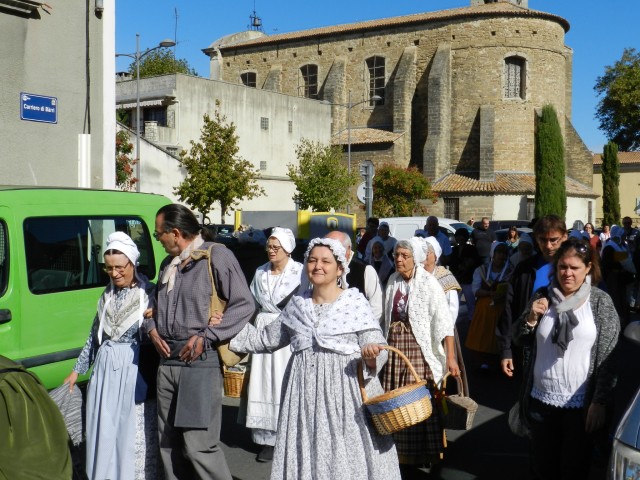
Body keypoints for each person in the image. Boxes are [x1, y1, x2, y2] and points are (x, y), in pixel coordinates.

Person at [229, 237, 401, 480]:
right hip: (303, 398)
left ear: (340, 267)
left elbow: (378, 346)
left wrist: (372, 355)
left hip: (346, 397)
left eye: (325, 261)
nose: (317, 266)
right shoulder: (297, 306)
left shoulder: (354, 303)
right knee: (308, 454)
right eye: (312, 260)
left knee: (345, 456)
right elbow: (265, 339)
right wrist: (226, 326)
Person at [147, 204, 256, 480]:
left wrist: (207, 336)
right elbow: (152, 305)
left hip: (198, 361)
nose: (157, 239)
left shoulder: (215, 256)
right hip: (167, 361)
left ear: (175, 233)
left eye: (159, 233)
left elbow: (244, 304)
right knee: (168, 442)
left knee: (199, 446)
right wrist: (151, 328)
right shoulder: (167, 265)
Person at [512, 237, 619, 479]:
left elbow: (609, 358)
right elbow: (518, 338)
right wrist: (530, 318)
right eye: (562, 266)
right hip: (541, 401)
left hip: (581, 407)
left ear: (588, 268)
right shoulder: (542, 296)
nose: (567, 273)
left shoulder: (600, 302)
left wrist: (600, 401)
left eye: (574, 267)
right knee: (542, 468)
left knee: (574, 469)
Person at [64, 232, 155, 480]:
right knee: (102, 426)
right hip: (105, 370)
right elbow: (94, 337)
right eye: (109, 268)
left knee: (128, 430)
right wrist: (76, 372)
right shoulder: (106, 295)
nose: (114, 273)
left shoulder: (150, 294)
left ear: (132, 264)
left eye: (119, 268)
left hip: (132, 369)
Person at [381, 238, 459, 473]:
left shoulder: (428, 283)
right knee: (396, 402)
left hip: (419, 351)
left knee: (420, 402)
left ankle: (427, 454)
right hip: (395, 352)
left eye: (404, 255)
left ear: (415, 258)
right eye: (396, 255)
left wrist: (451, 358)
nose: (399, 259)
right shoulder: (392, 281)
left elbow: (445, 324)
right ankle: (398, 456)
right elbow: (385, 319)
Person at [244, 227, 303, 463]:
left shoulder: (299, 272)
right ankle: (266, 440)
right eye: (269, 246)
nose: (271, 251)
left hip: (288, 331)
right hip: (263, 328)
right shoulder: (260, 273)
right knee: (263, 383)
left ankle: (289, 436)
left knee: (284, 383)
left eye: (275, 247)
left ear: (287, 249)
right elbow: (251, 301)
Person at [497, 215, 568, 378]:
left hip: (566, 347)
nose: (548, 245)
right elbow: (509, 309)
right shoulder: (525, 269)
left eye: (554, 240)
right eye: (543, 240)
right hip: (529, 346)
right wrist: (506, 350)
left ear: (565, 237)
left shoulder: (576, 269)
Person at [465, 242, 514, 370]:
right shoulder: (481, 270)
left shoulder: (510, 271)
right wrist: (490, 293)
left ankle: (498, 362)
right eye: (499, 252)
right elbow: (475, 290)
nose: (502, 255)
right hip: (484, 308)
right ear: (493, 254)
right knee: (482, 334)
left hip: (501, 308)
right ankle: (481, 362)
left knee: (498, 334)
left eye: (504, 252)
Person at [325, 230, 383, 325]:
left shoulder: (365, 270)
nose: (329, 253)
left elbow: (376, 307)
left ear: (348, 249)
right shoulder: (323, 269)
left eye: (334, 249)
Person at [601, 225, 635, 328]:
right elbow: (611, 263)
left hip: (621, 277)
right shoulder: (610, 247)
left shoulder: (620, 246)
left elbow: (627, 259)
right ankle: (617, 324)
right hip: (614, 278)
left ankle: (624, 322)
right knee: (616, 300)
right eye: (622, 235)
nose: (624, 237)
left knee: (623, 300)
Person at [449, 227, 481, 323]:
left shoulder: (472, 249)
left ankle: (472, 319)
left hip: (468, 279)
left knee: (470, 301)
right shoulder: (454, 249)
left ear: (466, 237)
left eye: (462, 236)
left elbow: (475, 263)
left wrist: (465, 266)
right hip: (456, 280)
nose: (460, 239)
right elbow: (451, 264)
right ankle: (453, 320)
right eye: (458, 236)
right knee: (454, 302)